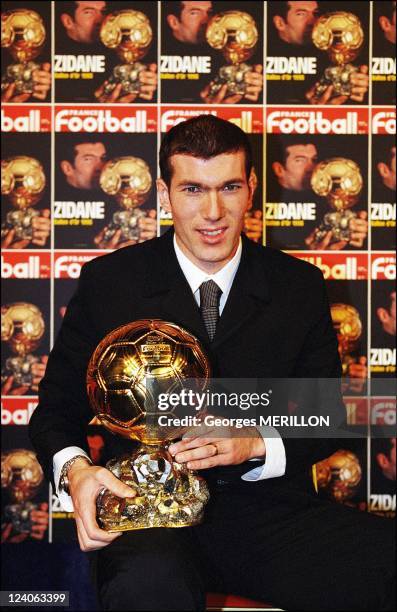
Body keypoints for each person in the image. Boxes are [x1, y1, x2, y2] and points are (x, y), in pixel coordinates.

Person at [29, 115, 395, 611]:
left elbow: (325, 419)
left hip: (268, 514)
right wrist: (76, 472)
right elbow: (55, 411)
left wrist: (251, 443)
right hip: (147, 512)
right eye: (193, 189)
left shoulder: (298, 286)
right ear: (164, 194)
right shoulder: (110, 282)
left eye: (228, 187)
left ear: (251, 188)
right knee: (148, 587)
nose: (213, 211)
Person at [57, 138, 156, 249]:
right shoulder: (52, 207)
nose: (100, 166)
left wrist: (152, 235)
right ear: (67, 168)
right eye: (88, 159)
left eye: (103, 158)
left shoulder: (121, 196)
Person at [269, 140, 368, 250]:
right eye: (300, 160)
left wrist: (357, 232)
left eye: (314, 160)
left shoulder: (330, 198)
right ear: (279, 170)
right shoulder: (264, 202)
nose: (311, 168)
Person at [267, 1, 369, 105]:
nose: (312, 22)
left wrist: (359, 87)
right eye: (301, 14)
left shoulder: (331, 52)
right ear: (280, 23)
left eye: (315, 13)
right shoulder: (264, 59)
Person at [163, 1, 263, 104]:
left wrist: (254, 87)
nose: (206, 20)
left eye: (209, 12)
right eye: (194, 13)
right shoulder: (159, 55)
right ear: (174, 22)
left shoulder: (227, 49)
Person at [56, 1, 157, 103]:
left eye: (102, 12)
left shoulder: (119, 49)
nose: (100, 20)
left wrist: (146, 83)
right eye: (89, 12)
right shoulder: (53, 56)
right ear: (68, 21)